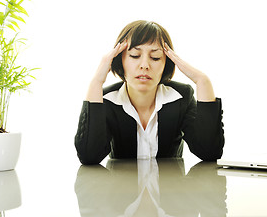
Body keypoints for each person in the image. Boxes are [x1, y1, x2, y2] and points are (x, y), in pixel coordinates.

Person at [74, 20, 224, 164]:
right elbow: (89, 157)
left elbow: (209, 152)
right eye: (134, 55)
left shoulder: (181, 97)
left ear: (166, 62)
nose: (145, 65)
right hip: (121, 189)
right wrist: (96, 82)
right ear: (120, 60)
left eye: (155, 57)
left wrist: (202, 80)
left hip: (170, 188)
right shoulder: (106, 100)